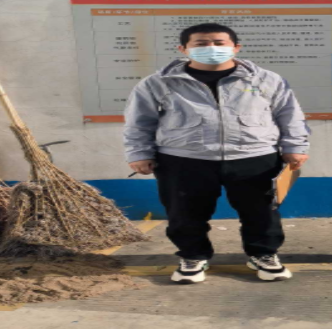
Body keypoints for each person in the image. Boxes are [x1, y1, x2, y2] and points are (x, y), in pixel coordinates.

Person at [124, 23, 309, 284]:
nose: (211, 48)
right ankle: (193, 256)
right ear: (183, 49)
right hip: (183, 158)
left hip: (254, 156)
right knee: (185, 213)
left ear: (236, 47)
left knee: (261, 212)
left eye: (219, 43)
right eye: (201, 43)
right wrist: (139, 153)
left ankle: (263, 254)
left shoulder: (265, 79)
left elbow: (289, 115)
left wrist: (295, 147)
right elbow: (139, 122)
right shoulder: (158, 83)